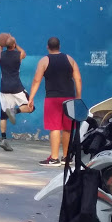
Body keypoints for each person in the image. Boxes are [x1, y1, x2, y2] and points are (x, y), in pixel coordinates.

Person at [28, 37, 82, 166]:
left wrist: (31, 97)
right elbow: (78, 79)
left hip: (52, 98)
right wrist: (78, 97)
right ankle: (66, 157)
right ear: (59, 46)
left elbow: (36, 80)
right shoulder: (70, 59)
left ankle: (54, 158)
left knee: (55, 128)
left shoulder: (44, 61)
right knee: (68, 128)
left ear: (47, 47)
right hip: (69, 98)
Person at [0, 35, 34, 152]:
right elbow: (23, 52)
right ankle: (14, 111)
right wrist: (15, 42)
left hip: (4, 88)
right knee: (30, 107)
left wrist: (0, 48)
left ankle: (3, 139)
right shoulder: (18, 55)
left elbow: (0, 55)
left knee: (3, 115)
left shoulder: (1, 56)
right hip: (16, 87)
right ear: (13, 45)